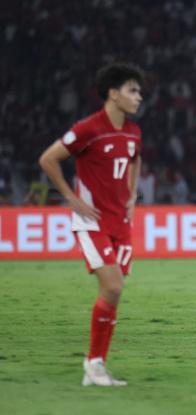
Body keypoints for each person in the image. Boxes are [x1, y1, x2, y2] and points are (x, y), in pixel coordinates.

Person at [38, 63, 144, 386]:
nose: (139, 97)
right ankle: (94, 365)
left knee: (112, 292)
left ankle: (96, 367)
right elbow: (48, 158)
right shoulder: (88, 128)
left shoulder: (132, 131)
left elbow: (135, 158)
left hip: (120, 222)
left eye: (139, 91)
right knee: (113, 287)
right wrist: (71, 198)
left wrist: (133, 192)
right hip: (92, 220)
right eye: (132, 90)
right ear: (113, 94)